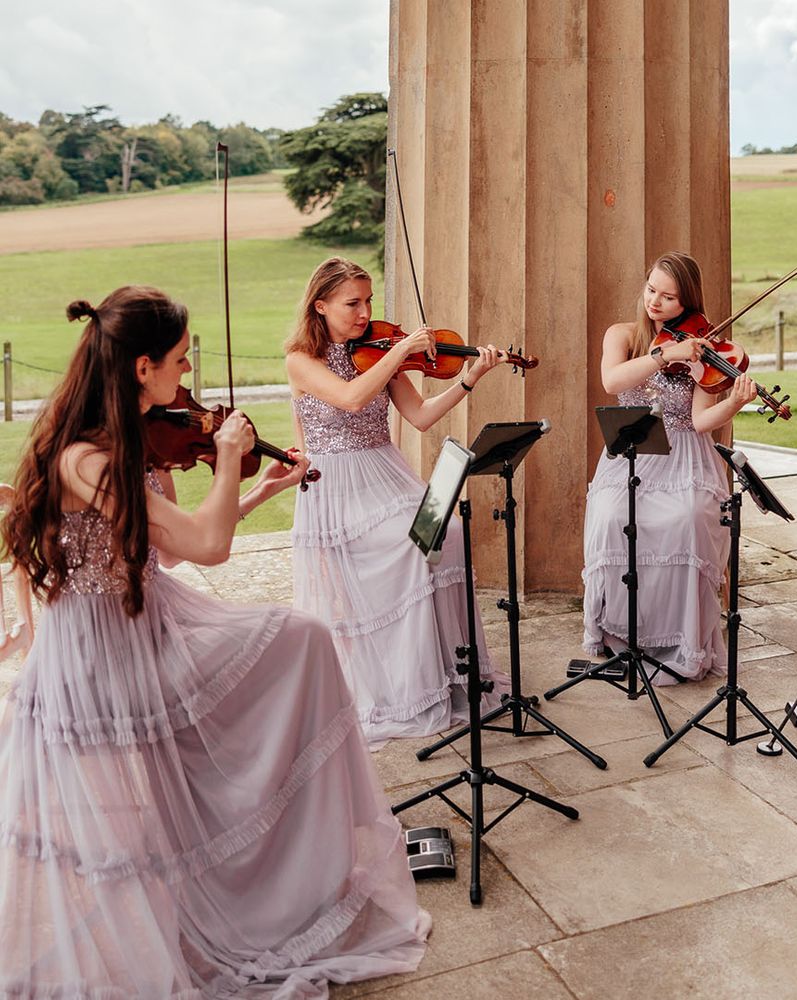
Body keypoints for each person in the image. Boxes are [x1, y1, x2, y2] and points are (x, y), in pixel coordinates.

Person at [0, 286, 430, 998]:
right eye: (178, 358)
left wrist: (259, 489)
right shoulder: (90, 459)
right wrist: (229, 456)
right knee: (301, 644)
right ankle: (270, 870)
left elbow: (161, 554)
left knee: (302, 643)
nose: (187, 374)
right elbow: (207, 547)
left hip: (146, 617)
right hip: (106, 652)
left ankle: (302, 864)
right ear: (142, 367)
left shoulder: (128, 438)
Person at [285, 257, 506, 745]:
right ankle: (404, 687)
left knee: (445, 532)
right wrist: (401, 349)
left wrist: (468, 379)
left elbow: (422, 416)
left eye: (368, 302)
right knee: (409, 547)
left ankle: (444, 676)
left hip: (385, 474)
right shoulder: (302, 360)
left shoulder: (374, 353)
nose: (365, 313)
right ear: (320, 306)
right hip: (338, 488)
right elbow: (349, 399)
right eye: (352, 304)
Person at [582, 251, 758, 683]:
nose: (655, 303)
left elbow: (700, 420)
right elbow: (612, 382)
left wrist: (733, 402)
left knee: (689, 519)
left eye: (669, 297)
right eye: (651, 290)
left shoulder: (705, 347)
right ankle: (621, 637)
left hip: (684, 452)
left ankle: (679, 639)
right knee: (611, 517)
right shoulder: (621, 335)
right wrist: (666, 355)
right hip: (633, 448)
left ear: (687, 303)